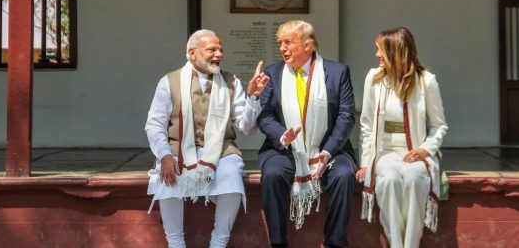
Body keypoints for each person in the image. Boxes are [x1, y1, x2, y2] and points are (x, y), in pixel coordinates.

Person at [145, 29, 270, 248]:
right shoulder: (169, 82)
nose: (219, 54)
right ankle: (175, 243)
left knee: (232, 175)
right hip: (178, 149)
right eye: (211, 49)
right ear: (192, 53)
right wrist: (164, 155)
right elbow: (154, 125)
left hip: (222, 150)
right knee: (167, 176)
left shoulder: (231, 82)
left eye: (221, 49)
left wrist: (253, 97)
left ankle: (218, 242)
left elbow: (247, 127)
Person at [258, 20, 357, 248]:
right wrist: (282, 136)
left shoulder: (337, 72)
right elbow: (265, 115)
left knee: (343, 175)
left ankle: (334, 242)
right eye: (280, 42)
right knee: (273, 174)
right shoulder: (272, 73)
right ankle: (278, 243)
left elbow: (346, 116)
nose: (282, 48)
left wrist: (328, 151)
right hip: (284, 148)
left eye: (288, 42)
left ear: (308, 45)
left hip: (330, 147)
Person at [356, 27, 448, 248]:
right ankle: (396, 243)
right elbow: (367, 125)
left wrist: (426, 150)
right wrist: (366, 162)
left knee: (415, 179)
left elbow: (439, 125)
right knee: (388, 180)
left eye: (381, 50)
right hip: (385, 151)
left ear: (396, 51)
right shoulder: (374, 79)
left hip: (415, 152)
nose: (377, 55)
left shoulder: (426, 81)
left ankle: (410, 244)